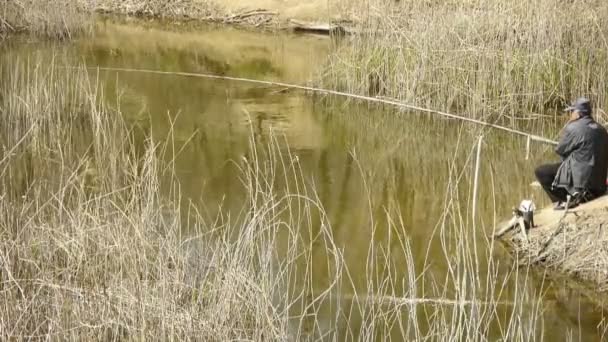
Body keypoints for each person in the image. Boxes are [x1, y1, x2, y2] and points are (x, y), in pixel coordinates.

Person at [535, 97, 608, 210]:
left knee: (541, 171)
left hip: (584, 190)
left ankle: (563, 200)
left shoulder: (573, 127)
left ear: (578, 114)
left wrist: (569, 125)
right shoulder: (602, 129)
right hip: (600, 187)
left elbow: (560, 150)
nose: (570, 114)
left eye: (572, 111)